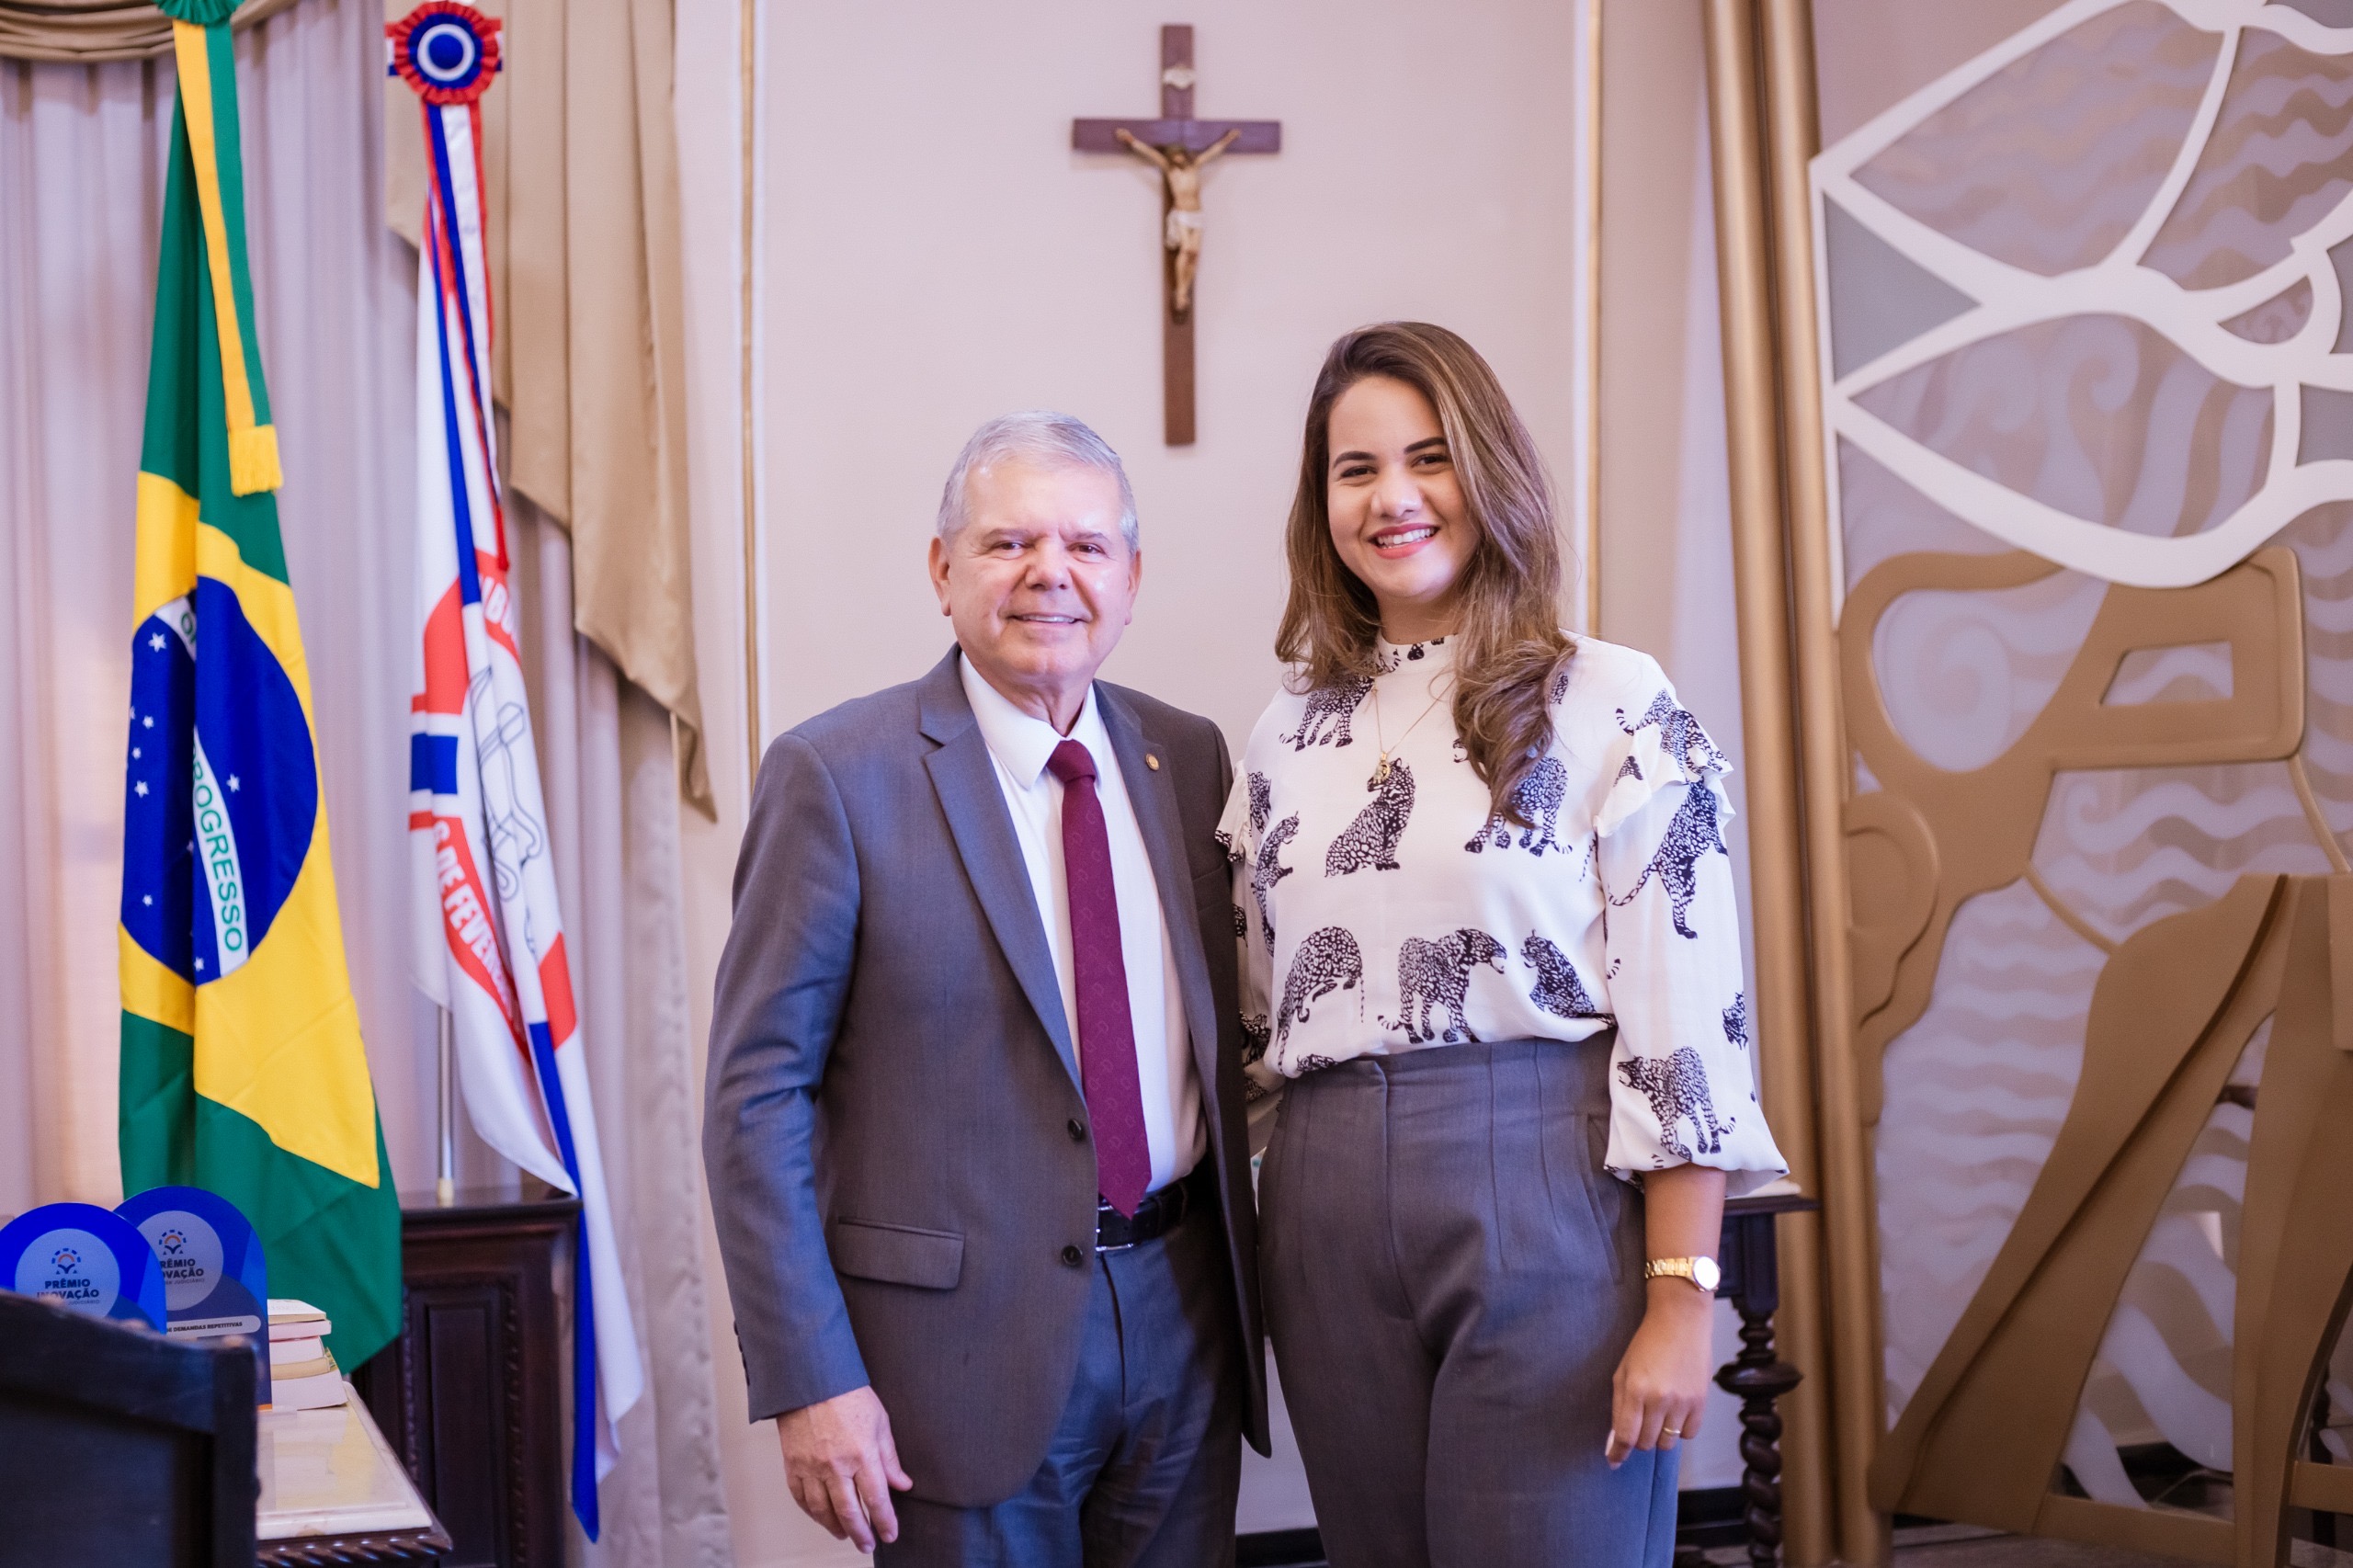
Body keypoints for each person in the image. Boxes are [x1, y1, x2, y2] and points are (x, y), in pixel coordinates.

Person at [1222, 323, 1787, 1568]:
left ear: (1492, 472)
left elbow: (1688, 1022)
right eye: (1356, 468)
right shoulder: (1283, 734)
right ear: (1321, 504)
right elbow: (1255, 1021)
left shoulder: (1609, 697)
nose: (1393, 496)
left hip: (1544, 1184)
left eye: (1430, 458)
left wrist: (1682, 1293)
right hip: (1322, 1204)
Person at [704, 412, 1267, 1566]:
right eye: (1009, 542)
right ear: (942, 569)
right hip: (954, 1362)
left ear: (1131, 577)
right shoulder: (836, 776)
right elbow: (755, 1097)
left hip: (1185, 1318)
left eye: (1086, 545)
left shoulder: (1187, 757)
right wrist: (811, 1376)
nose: (1049, 572)